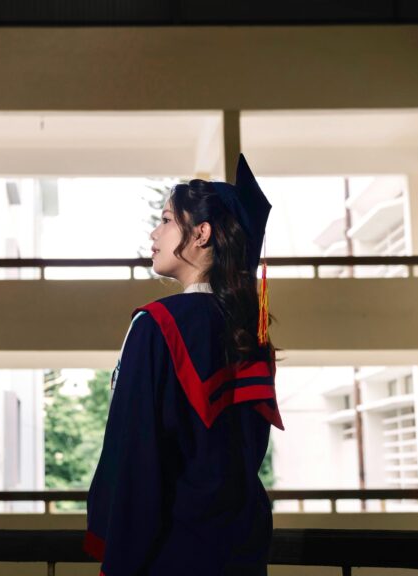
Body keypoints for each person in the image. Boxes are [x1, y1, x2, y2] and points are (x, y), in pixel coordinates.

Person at [84, 153, 284, 576]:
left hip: (170, 554)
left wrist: (119, 560)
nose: (154, 232)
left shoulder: (158, 325)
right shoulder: (251, 333)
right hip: (240, 553)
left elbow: (135, 455)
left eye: (167, 219)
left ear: (202, 233)